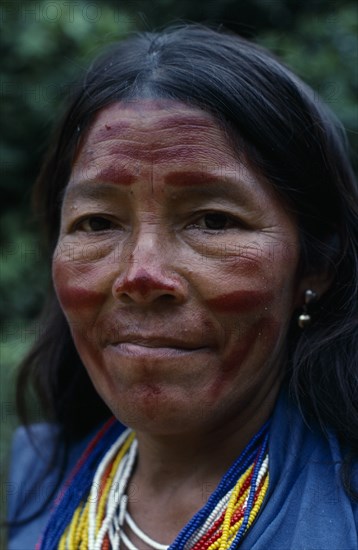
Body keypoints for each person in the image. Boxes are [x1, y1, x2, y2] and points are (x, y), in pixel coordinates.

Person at [7, 24, 358, 550]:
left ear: (317, 264)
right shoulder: (37, 474)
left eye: (213, 221)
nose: (141, 276)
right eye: (98, 222)